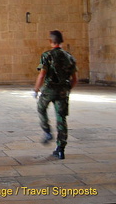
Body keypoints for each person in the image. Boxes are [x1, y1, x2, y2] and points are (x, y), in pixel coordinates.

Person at [33, 30, 78, 160]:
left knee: (41, 108)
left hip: (48, 90)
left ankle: (47, 131)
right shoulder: (70, 57)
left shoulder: (47, 55)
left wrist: (36, 89)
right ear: (62, 41)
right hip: (63, 91)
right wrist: (67, 89)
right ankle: (61, 149)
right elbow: (75, 79)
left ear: (50, 41)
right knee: (61, 119)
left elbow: (42, 74)